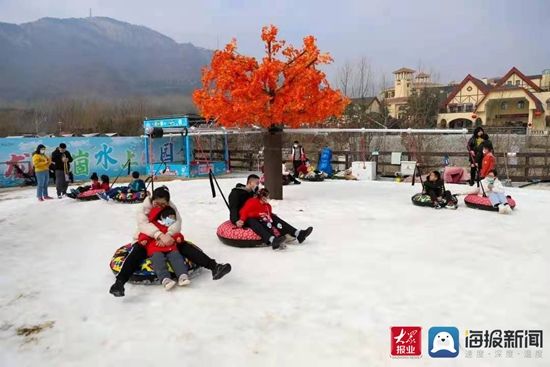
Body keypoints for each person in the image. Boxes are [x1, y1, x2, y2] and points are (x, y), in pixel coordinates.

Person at [110, 186, 231, 297]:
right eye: (157, 203)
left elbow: (177, 222)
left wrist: (169, 235)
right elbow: (143, 225)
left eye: (163, 204)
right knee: (136, 252)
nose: (159, 206)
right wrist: (159, 235)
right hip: (146, 238)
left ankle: (215, 267)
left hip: (169, 238)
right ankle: (119, 283)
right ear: (152, 200)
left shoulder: (171, 208)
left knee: (185, 246)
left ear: (167, 202)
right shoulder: (144, 208)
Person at [137, 206, 191, 289]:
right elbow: (145, 234)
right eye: (170, 218)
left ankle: (182, 276)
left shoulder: (171, 227)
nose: (172, 220)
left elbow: (176, 234)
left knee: (176, 258)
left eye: (173, 218)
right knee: (158, 260)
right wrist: (143, 240)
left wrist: (178, 238)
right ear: (163, 217)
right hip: (155, 249)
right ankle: (165, 279)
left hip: (170, 247)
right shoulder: (153, 225)